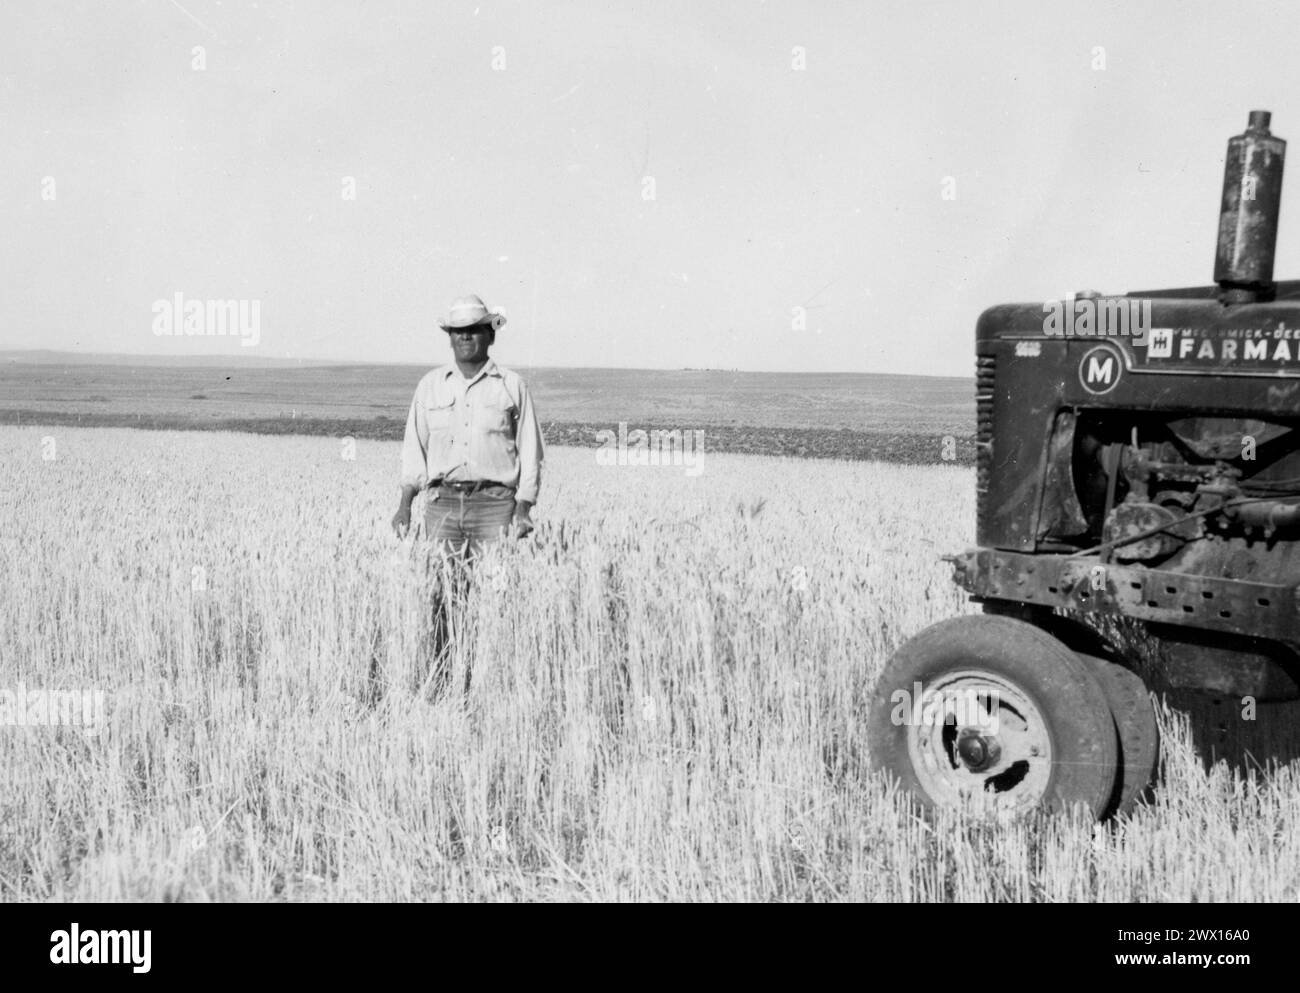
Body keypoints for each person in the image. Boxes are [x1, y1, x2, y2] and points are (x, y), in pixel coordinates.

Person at [391, 293, 544, 555]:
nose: (465, 337)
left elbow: (531, 453)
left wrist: (523, 506)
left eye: (474, 330)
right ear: (450, 338)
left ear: (491, 335)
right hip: (442, 505)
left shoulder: (512, 386)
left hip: (496, 507)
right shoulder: (430, 386)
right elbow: (414, 451)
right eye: (458, 331)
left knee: (495, 589)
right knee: (440, 590)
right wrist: (404, 505)